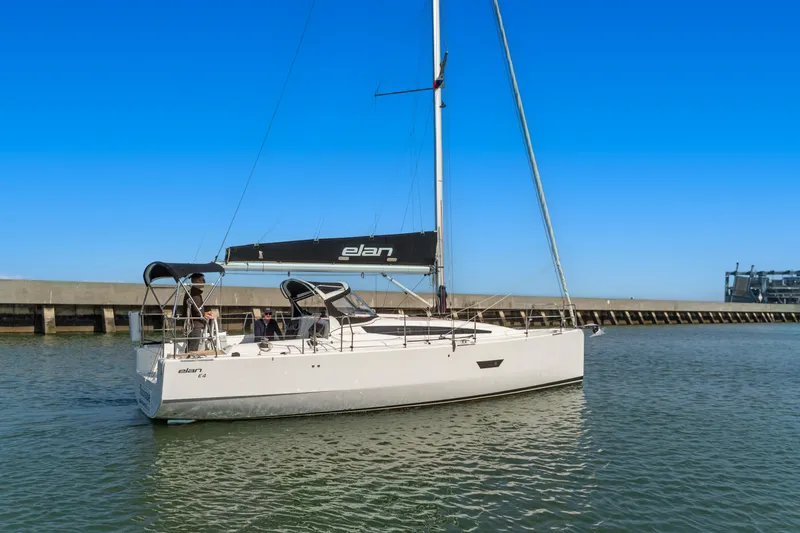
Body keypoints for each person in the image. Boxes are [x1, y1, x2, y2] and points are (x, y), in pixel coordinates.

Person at [183, 273, 214, 352]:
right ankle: (189, 361)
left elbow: (196, 309)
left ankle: (188, 359)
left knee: (191, 346)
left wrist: (205, 313)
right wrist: (204, 314)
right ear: (196, 281)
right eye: (202, 280)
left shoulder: (192, 293)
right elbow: (196, 309)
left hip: (193, 325)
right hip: (195, 325)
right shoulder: (194, 294)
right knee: (192, 349)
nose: (204, 281)